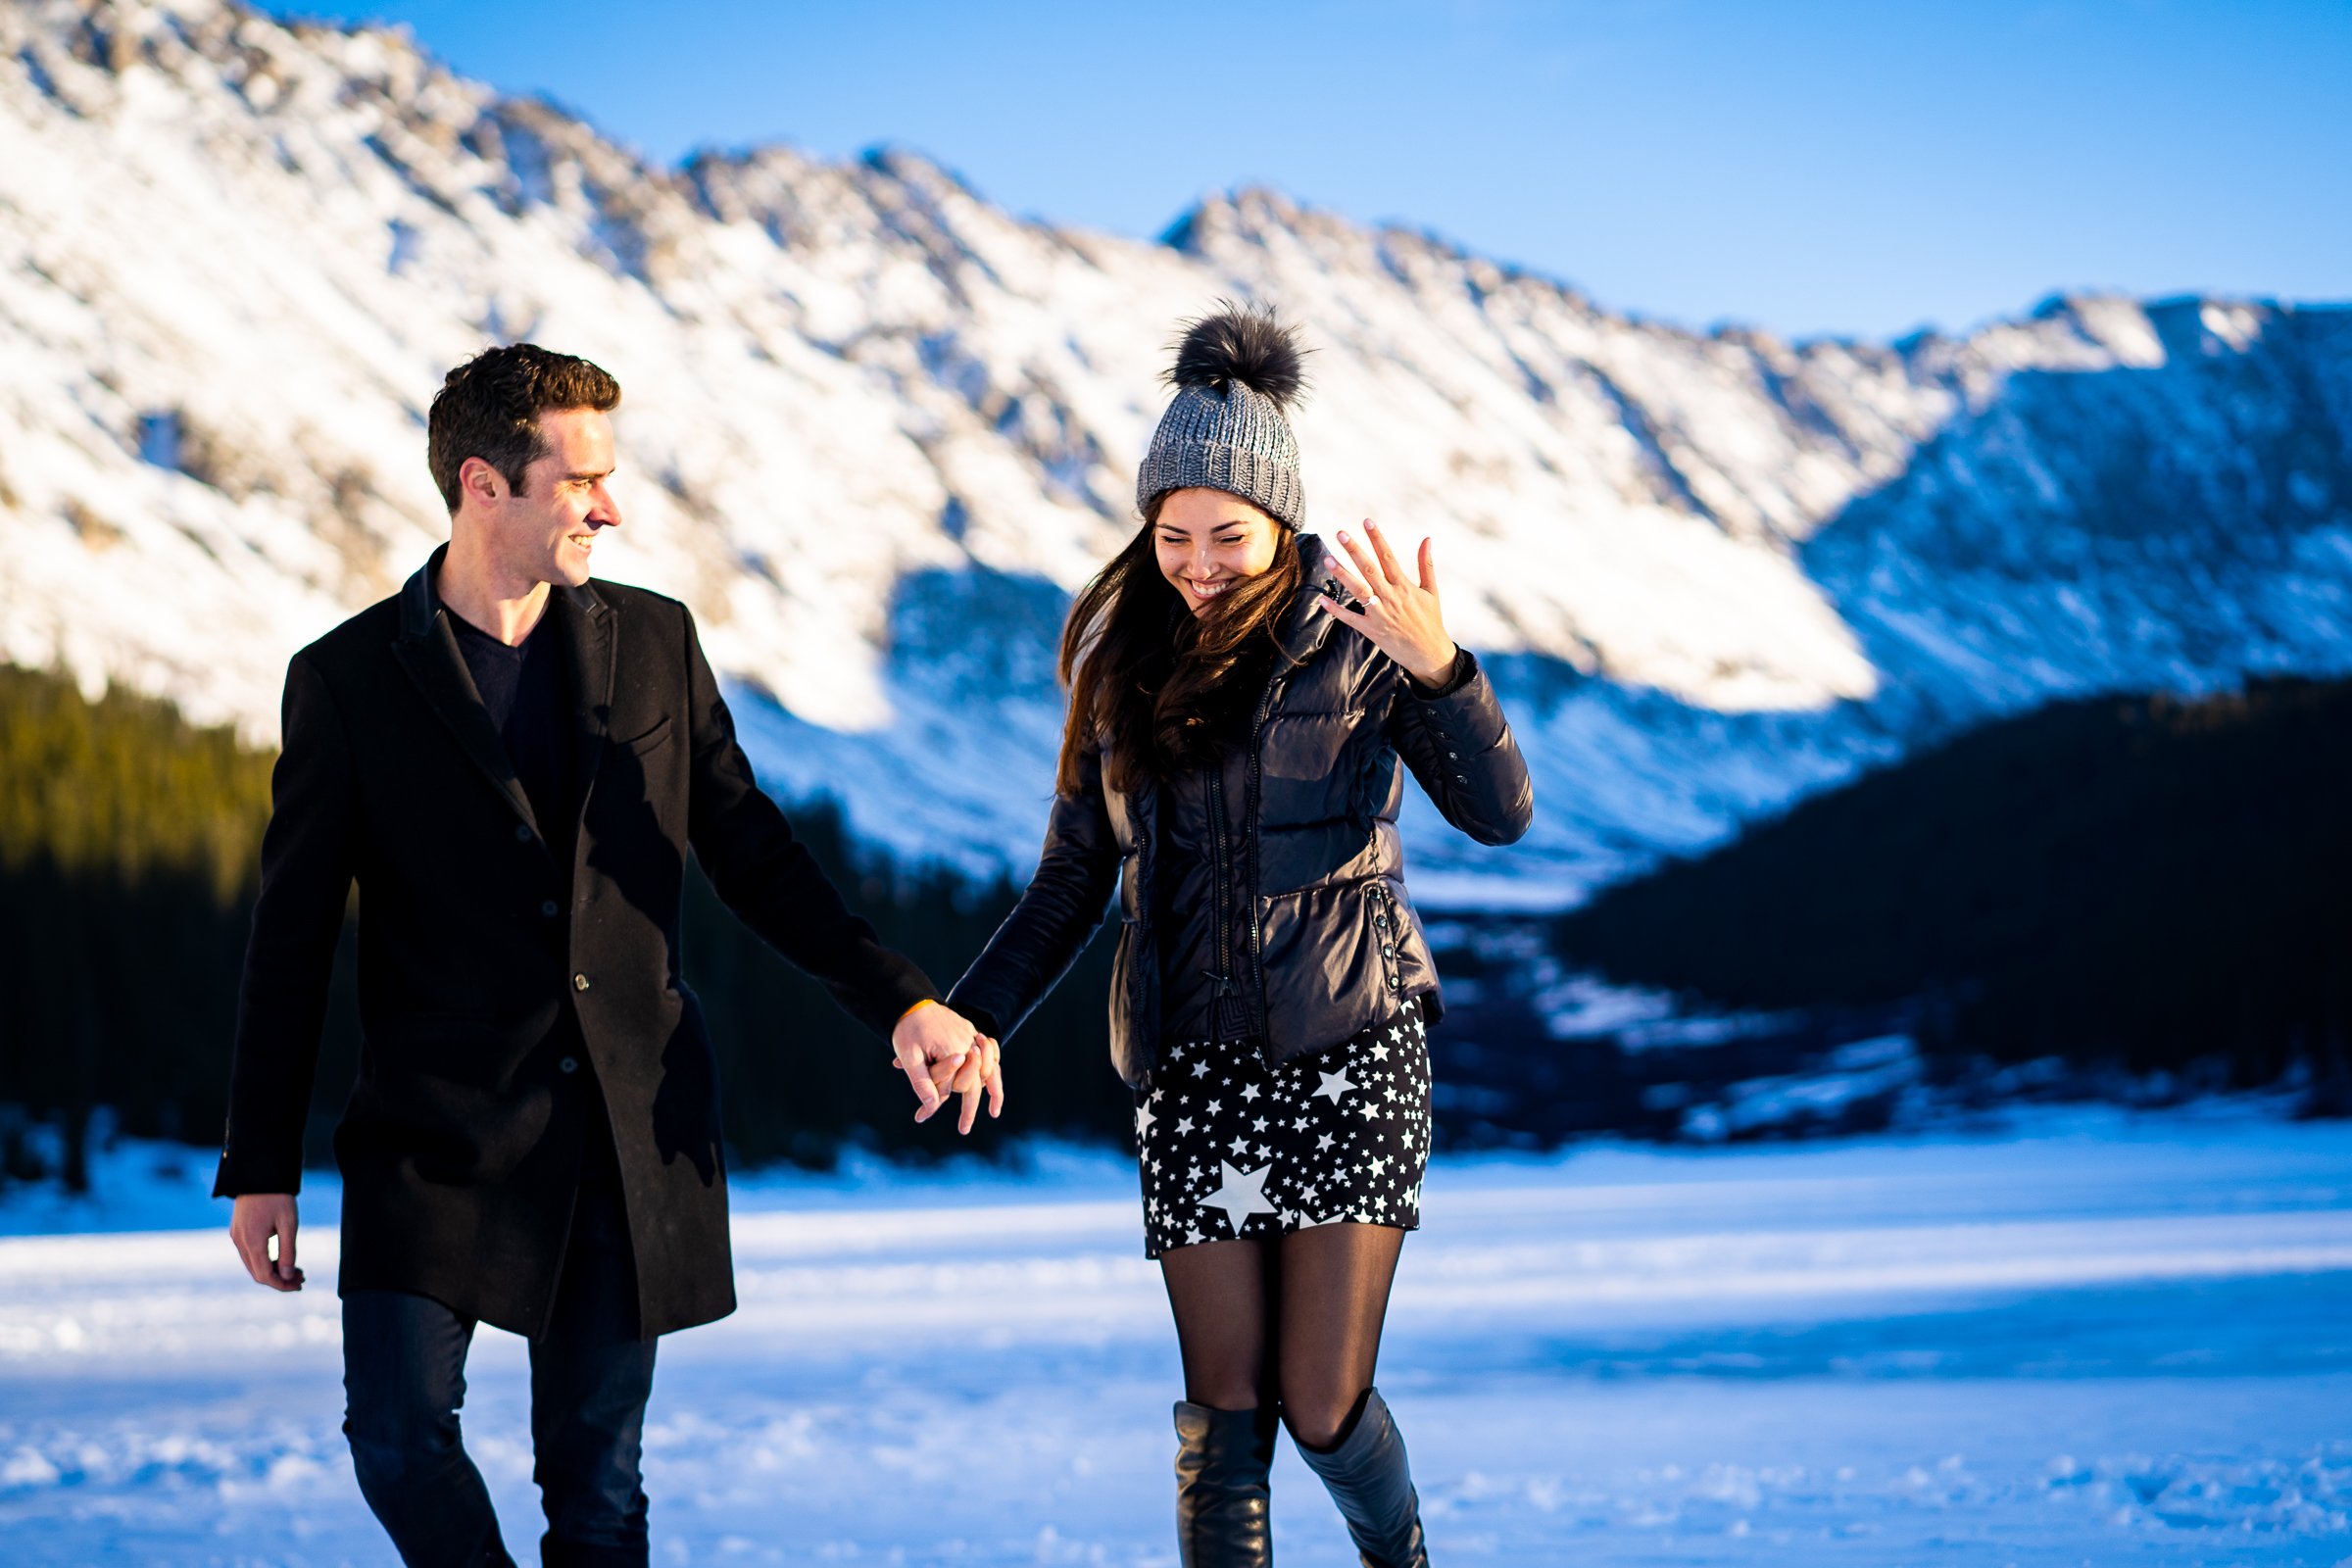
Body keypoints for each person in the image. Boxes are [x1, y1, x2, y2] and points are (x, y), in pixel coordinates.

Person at [214, 342, 1002, 1568]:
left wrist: (897, 997)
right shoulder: (347, 679)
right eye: (581, 479)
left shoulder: (656, 643)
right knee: (398, 1438)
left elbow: (752, 851)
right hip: (432, 1137)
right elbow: (291, 935)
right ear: (485, 485)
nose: (610, 506)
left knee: (597, 1495)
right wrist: (259, 1161)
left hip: (619, 1136)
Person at [948, 304, 1533, 1567]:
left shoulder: (1362, 637)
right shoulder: (1119, 666)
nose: (1198, 561)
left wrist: (1445, 673)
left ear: (1280, 526)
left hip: (1349, 1054)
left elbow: (1501, 814)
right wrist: (974, 1008)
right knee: (1225, 1415)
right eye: (1173, 536)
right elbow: (1070, 879)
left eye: (1228, 534)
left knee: (1321, 1408)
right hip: (1195, 1072)